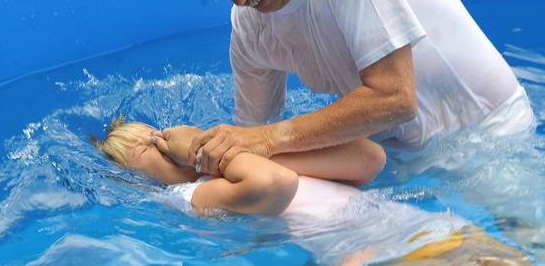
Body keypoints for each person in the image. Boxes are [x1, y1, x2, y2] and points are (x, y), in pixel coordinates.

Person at [170, 0, 535, 176]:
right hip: (397, 159)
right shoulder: (250, 26)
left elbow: (395, 98)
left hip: (490, 137)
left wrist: (269, 138)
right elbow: (247, 138)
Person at [91, 118, 531, 265]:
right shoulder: (187, 198)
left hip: (434, 231)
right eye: (142, 149)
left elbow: (367, 159)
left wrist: (247, 141)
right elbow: (274, 187)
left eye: (154, 133)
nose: (159, 141)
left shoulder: (247, 163)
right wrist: (207, 156)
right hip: (383, 256)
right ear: (137, 179)